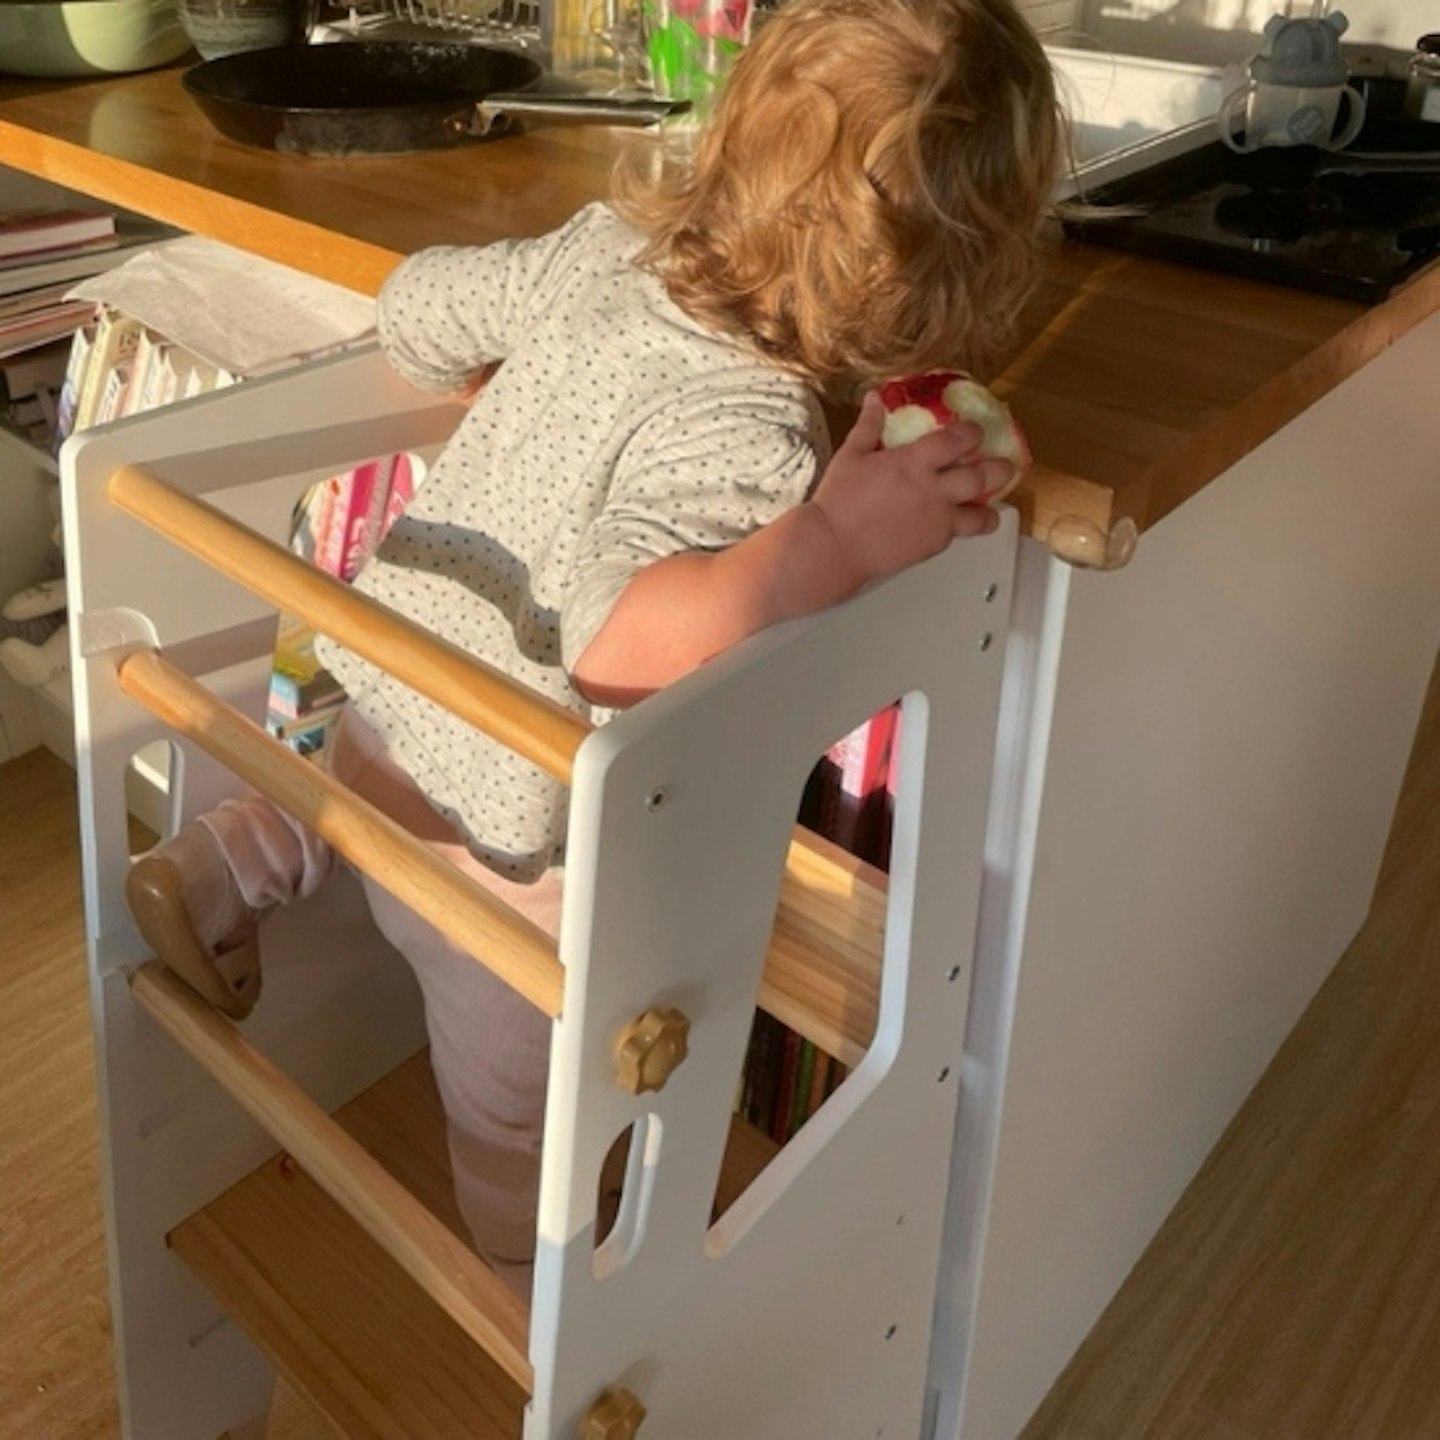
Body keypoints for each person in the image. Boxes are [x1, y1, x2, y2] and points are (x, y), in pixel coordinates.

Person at [124, 0, 1064, 1302]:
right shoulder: (754, 428)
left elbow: (412, 313)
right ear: (944, 286)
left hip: (374, 716)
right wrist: (835, 545)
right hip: (507, 871)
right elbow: (620, 639)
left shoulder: (605, 250)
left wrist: (515, 382)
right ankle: (528, 1287)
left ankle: (226, 861)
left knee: (342, 808)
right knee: (514, 1112)